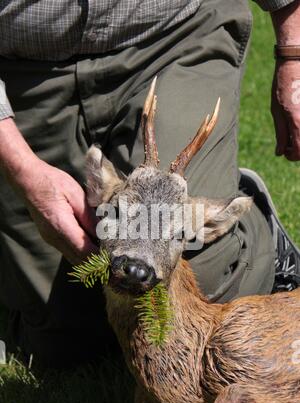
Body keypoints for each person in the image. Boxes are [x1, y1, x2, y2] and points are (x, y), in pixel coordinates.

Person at [0, 0, 299, 368]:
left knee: (203, 270)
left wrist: (293, 51)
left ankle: (252, 224)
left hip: (170, 37)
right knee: (63, 344)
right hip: (24, 69)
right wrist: (22, 168)